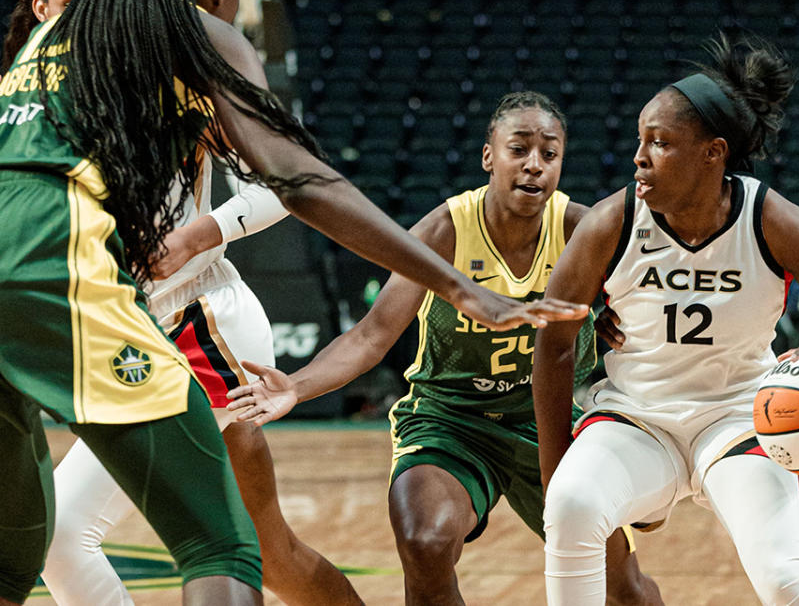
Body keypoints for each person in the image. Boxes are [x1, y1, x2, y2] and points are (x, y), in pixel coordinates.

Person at [0, 0, 585, 605]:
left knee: (30, 549)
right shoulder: (191, 32)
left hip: (184, 318)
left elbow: (267, 186)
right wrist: (456, 285)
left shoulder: (44, 56)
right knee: (237, 548)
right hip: (90, 299)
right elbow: (301, 180)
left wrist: (199, 232)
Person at [4, 0, 356, 604]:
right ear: (40, 2)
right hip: (106, 331)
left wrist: (201, 232)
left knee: (68, 532)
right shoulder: (23, 92)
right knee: (269, 549)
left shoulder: (162, 69)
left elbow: (286, 179)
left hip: (194, 321)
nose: (88, 12)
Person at [228, 91, 662, 606]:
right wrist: (297, 386)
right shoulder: (444, 229)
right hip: (450, 420)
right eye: (518, 149)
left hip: (547, 419)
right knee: (425, 543)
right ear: (488, 157)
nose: (534, 165)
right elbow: (372, 335)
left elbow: (649, 311)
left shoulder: (582, 229)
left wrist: (620, 322)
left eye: (549, 154)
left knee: (626, 590)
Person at [532, 34, 799, 605]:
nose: (639, 157)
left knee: (783, 577)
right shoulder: (611, 222)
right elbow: (553, 346)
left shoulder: (775, 221)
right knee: (572, 506)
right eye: (640, 140)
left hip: (742, 418)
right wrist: (554, 469)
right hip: (635, 419)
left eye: (660, 143)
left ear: (713, 152)